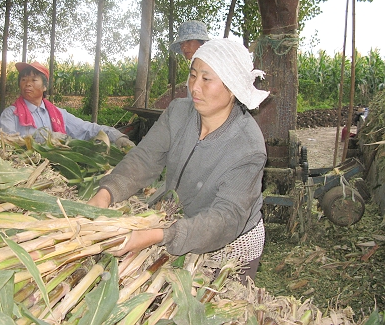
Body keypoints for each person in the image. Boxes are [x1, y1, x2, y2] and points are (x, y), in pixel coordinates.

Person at [88, 39, 270, 283]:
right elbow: (144, 159)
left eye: (207, 79)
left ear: (233, 87)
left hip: (231, 241)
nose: (195, 87)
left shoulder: (248, 147)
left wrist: (161, 234)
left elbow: (226, 218)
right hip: (182, 224)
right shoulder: (178, 113)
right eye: (193, 75)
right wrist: (107, 192)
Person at [0, 61, 135, 149]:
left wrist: (114, 135)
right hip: (25, 175)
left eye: (34, 79)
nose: (27, 83)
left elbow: (86, 129)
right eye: (23, 79)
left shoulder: (58, 114)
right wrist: (46, 138)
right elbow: (6, 143)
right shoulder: (11, 114)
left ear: (45, 86)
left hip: (55, 174)